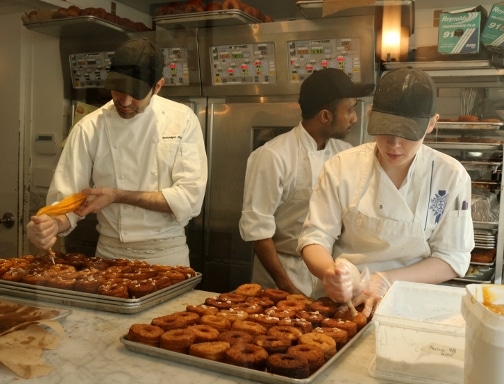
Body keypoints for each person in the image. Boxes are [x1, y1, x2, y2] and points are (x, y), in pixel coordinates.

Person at [298, 67, 474, 316]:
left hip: (410, 308)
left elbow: (452, 257)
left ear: (432, 123)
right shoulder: (342, 167)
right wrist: (329, 272)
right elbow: (314, 237)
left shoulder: (450, 176)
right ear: (371, 115)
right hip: (340, 306)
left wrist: (386, 280)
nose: (394, 144)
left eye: (407, 134)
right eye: (386, 129)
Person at [27, 38, 208, 266]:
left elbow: (189, 199)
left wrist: (119, 195)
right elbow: (68, 202)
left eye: (136, 93)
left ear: (158, 86)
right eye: (119, 89)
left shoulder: (182, 120)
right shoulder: (90, 127)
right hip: (109, 254)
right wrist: (50, 224)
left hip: (167, 254)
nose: (125, 100)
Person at [239, 68, 374, 295]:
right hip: (282, 273)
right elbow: (258, 232)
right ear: (325, 116)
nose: (355, 118)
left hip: (330, 272)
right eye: (350, 109)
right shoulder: (273, 156)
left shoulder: (346, 153)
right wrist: (288, 289)